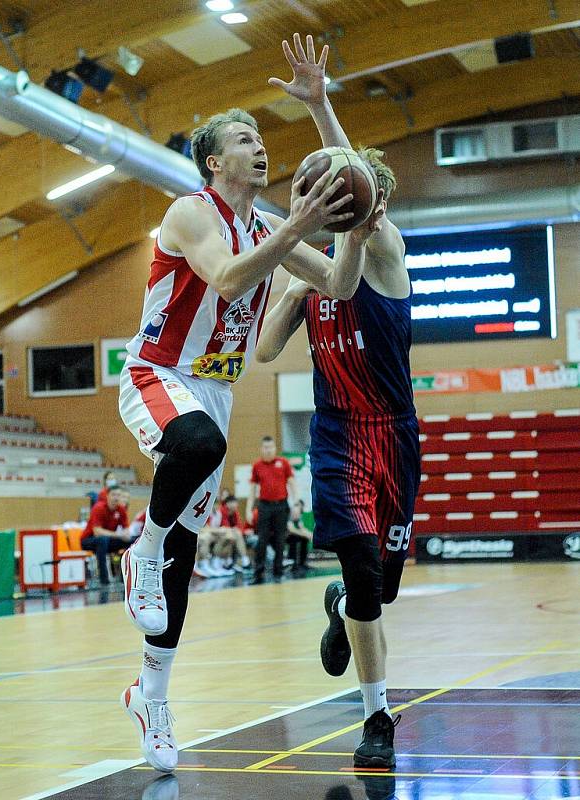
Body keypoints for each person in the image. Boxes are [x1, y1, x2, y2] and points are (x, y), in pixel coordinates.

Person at [117, 98, 379, 772]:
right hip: (159, 373)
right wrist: (296, 227)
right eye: (244, 138)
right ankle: (138, 551)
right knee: (198, 449)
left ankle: (152, 695)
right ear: (214, 160)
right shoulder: (189, 212)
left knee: (183, 554)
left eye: (262, 137)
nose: (260, 146)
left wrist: (353, 230)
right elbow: (231, 278)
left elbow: (342, 287)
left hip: (214, 389)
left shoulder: (266, 224)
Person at [256, 34, 421, 769]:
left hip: (394, 436)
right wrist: (263, 224)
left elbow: (347, 257)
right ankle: (376, 716)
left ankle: (344, 610)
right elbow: (262, 352)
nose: (357, 200)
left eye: (357, 191)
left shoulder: (383, 252)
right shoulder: (307, 271)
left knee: (375, 591)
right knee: (360, 567)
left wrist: (322, 106)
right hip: (336, 437)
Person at [245, 436, 296, 583]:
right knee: (262, 539)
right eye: (265, 448)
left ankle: (278, 572)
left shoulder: (283, 463)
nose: (268, 450)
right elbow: (252, 489)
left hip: (281, 505)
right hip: (264, 506)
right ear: (262, 449)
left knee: (280, 539)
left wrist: (296, 503)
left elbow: (292, 483)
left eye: (271, 447)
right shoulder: (257, 466)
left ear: (275, 448)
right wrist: (249, 509)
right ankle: (258, 573)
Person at [81, 485, 131, 585]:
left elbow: (127, 532)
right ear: (107, 496)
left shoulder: (121, 510)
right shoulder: (98, 508)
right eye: (113, 494)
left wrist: (125, 536)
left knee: (130, 542)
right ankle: (104, 581)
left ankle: (124, 579)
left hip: (107, 540)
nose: (116, 497)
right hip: (88, 540)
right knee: (102, 540)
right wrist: (119, 535)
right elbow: (97, 532)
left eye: (118, 495)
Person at [287, 499, 311, 574]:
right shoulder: (288, 514)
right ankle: (292, 564)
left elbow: (302, 527)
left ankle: (302, 563)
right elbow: (292, 529)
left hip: (290, 536)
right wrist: (305, 534)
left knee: (304, 539)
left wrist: (309, 534)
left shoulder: (298, 515)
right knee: (294, 538)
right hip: (279, 537)